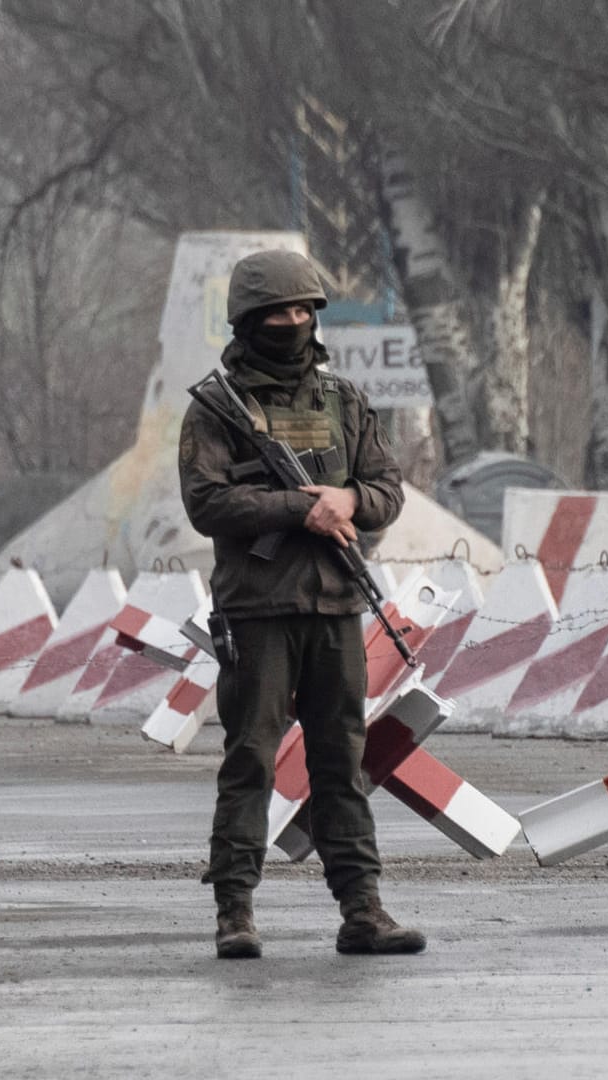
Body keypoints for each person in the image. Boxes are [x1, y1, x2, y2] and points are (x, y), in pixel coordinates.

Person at [176, 249, 425, 959]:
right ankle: (234, 910)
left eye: (303, 310)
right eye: (279, 312)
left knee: (340, 763)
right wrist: (297, 509)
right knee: (250, 758)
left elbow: (387, 488)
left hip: (335, 606)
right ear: (250, 321)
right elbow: (207, 502)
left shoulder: (343, 401)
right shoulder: (218, 408)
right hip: (257, 610)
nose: (293, 322)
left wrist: (349, 500)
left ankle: (362, 909)